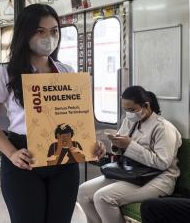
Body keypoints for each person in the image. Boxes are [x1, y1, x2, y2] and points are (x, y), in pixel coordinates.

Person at [0, 4, 106, 223]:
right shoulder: (3, 72)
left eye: (54, 31)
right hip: (24, 157)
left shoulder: (66, 72)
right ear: (25, 34)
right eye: (41, 31)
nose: (49, 37)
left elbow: (75, 117)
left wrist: (91, 143)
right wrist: (11, 153)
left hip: (65, 161)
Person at [78, 86, 182, 223]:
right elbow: (122, 147)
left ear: (146, 105)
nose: (129, 114)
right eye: (126, 110)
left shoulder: (163, 128)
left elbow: (162, 163)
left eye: (132, 110)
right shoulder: (130, 121)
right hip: (132, 172)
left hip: (159, 179)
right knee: (83, 191)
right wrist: (116, 144)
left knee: (102, 197)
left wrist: (129, 145)